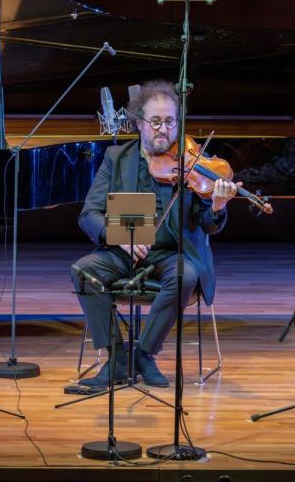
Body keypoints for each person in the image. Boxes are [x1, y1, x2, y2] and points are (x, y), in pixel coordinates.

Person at [70, 80, 238, 388]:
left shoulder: (193, 163)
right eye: (156, 121)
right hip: (126, 250)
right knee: (84, 270)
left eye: (171, 121)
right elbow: (88, 214)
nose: (164, 129)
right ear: (139, 123)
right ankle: (118, 359)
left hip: (175, 253)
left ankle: (144, 354)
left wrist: (217, 207)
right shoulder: (116, 158)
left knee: (184, 276)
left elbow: (208, 223)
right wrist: (117, 236)